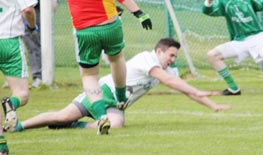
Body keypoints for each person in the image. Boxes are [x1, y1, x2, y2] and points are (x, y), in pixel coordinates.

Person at [9, 38, 231, 133]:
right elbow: (170, 81)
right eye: (171, 55)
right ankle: (19, 126)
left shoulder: (163, 67)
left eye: (175, 56)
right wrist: (195, 89)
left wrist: (213, 106)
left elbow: (183, 89)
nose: (173, 59)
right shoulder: (148, 58)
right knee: (62, 115)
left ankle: (73, 127)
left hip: (117, 103)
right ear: (160, 51)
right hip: (102, 93)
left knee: (115, 125)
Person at [61, 0, 153, 135]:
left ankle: (102, 116)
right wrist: (138, 12)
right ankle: (121, 99)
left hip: (84, 30)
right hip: (109, 25)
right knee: (116, 59)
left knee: (89, 75)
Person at [0, 0, 39, 154]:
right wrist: (32, 27)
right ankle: (11, 104)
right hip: (9, 41)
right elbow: (28, 8)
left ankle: (1, 145)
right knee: (22, 94)